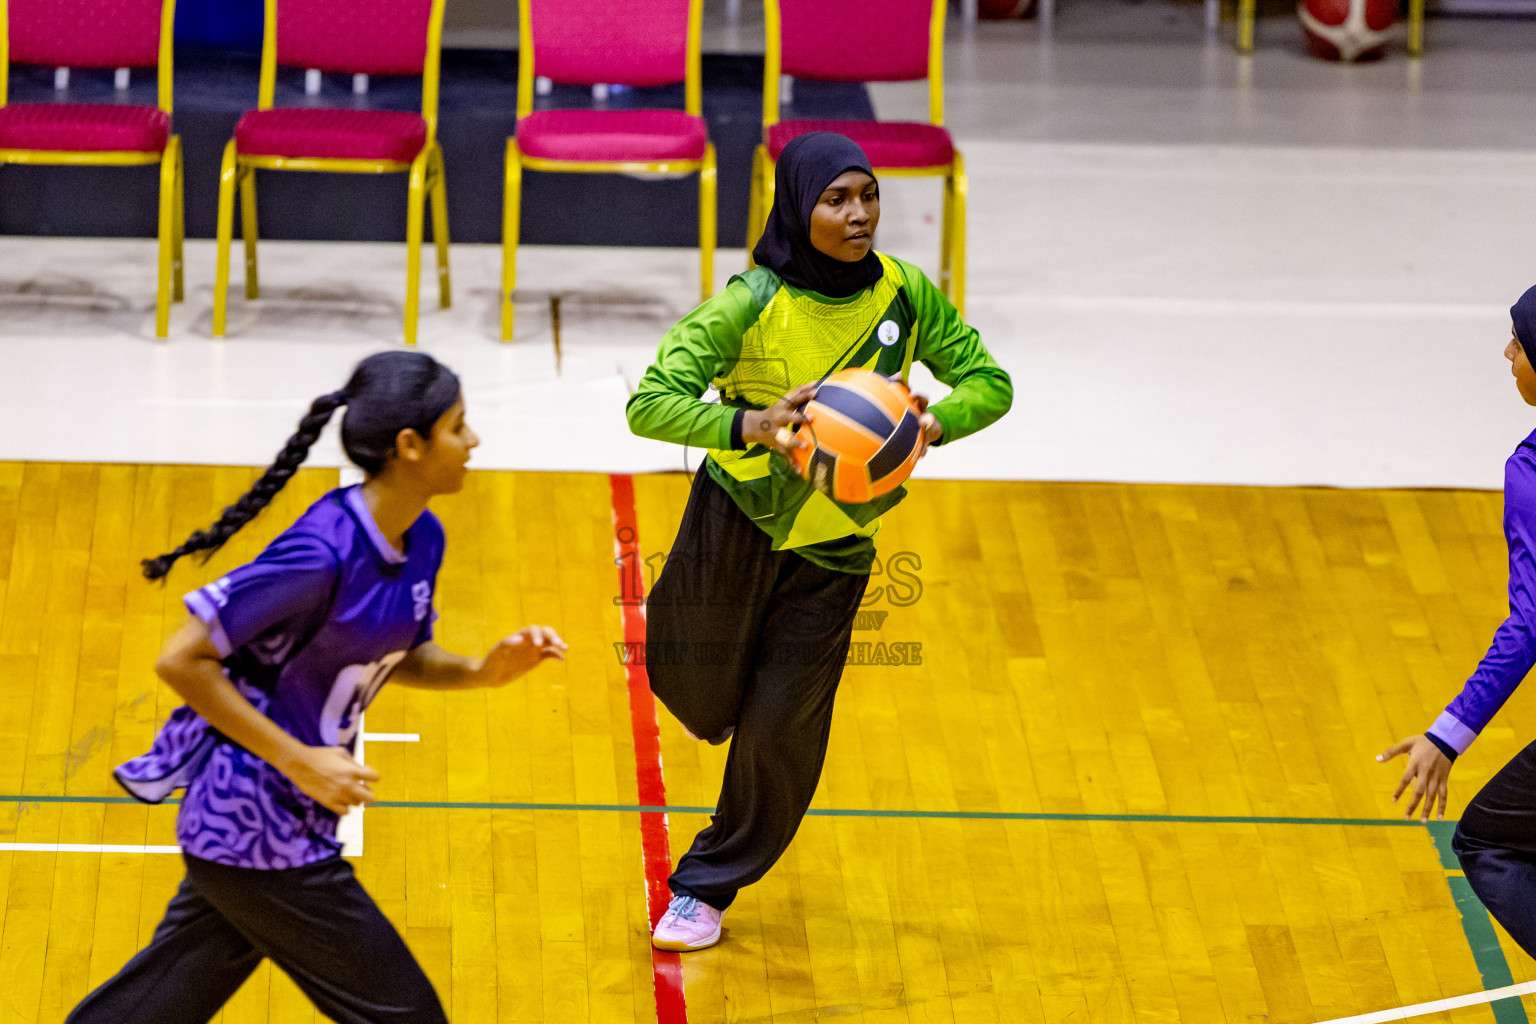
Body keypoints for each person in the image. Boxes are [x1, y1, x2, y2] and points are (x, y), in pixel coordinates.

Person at [67, 351, 567, 1024]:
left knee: (155, 1006)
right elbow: (181, 660)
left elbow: (400, 654)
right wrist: (297, 759)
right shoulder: (319, 553)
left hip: (273, 827)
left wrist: (484, 671)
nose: (473, 440)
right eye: (459, 426)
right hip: (255, 827)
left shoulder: (421, 537)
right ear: (410, 446)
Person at [626, 131, 1013, 951]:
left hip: (837, 545)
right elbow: (650, 403)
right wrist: (750, 425)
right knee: (687, 684)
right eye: (837, 199)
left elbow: (991, 383)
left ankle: (705, 886)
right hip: (734, 520)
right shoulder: (749, 300)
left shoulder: (907, 293)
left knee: (782, 729)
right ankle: (723, 701)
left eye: (868, 196)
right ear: (799, 207)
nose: (860, 213)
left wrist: (933, 424)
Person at [1381, 284, 1536, 955]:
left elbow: (1530, 623)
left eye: (1520, 342)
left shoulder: (1532, 469)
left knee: (1489, 840)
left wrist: (1446, 736)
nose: (1508, 353)